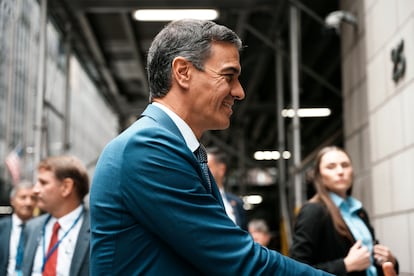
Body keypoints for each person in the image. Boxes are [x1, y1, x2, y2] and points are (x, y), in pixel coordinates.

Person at [89, 19, 331, 275]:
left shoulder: (169, 147)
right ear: (183, 72)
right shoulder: (147, 149)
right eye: (229, 76)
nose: (239, 92)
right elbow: (239, 260)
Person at [290, 146, 399, 276]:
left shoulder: (359, 211)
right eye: (331, 167)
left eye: (345, 165)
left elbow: (369, 263)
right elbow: (296, 270)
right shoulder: (313, 211)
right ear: (319, 176)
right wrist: (345, 265)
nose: (340, 171)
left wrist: (390, 260)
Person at [22, 155, 90, 276]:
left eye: (43, 183)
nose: (35, 190)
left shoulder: (96, 230)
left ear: (66, 187)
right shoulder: (31, 227)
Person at [0, 180, 37, 276]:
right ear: (12, 201)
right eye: (23, 197)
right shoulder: (1, 227)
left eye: (33, 198)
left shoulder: (42, 229)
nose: (28, 203)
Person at [206, 146, 246, 230]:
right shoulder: (196, 198)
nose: (202, 170)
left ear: (221, 169)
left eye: (208, 167)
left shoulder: (237, 203)